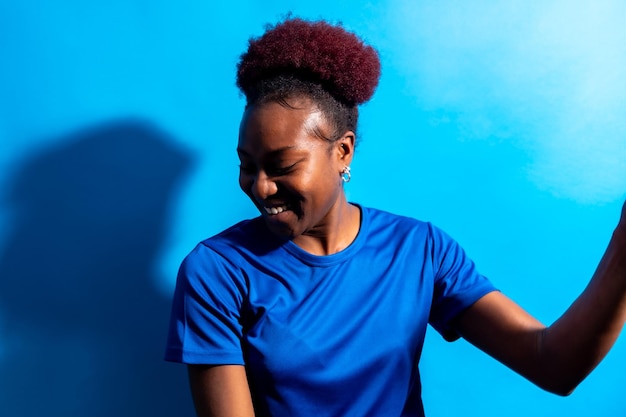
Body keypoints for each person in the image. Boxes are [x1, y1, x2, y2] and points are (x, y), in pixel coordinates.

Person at [165, 18, 626, 417]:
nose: (261, 187)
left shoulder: (420, 250)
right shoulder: (217, 272)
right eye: (248, 165)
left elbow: (553, 363)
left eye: (283, 166)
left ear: (342, 151)